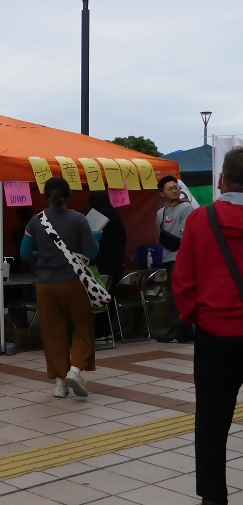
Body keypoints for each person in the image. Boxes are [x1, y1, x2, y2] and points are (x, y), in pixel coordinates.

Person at [172, 148, 243, 505]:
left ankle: (214, 497)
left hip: (215, 334)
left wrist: (195, 318)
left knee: (212, 420)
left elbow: (183, 279)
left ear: (221, 179)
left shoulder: (201, 219)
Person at [21, 177, 99, 399]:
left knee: (53, 332)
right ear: (68, 195)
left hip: (45, 285)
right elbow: (91, 253)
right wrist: (96, 239)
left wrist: (43, 256)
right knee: (82, 328)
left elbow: (24, 254)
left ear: (45, 196)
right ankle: (74, 371)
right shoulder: (79, 219)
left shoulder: (35, 221)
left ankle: (59, 384)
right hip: (73, 282)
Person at [155, 175, 194, 343]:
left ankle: (180, 327)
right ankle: (184, 329)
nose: (174, 191)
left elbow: (186, 233)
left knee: (179, 293)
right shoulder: (160, 213)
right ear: (162, 193)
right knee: (172, 292)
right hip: (168, 256)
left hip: (181, 257)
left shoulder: (186, 207)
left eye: (176, 187)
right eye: (169, 188)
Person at [87, 191, 127, 339]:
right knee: (109, 299)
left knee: (98, 299)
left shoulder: (93, 219)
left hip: (99, 266)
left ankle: (100, 332)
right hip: (115, 266)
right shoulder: (116, 217)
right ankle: (110, 331)